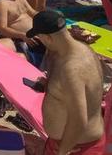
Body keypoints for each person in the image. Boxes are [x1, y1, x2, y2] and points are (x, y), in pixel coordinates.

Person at [28, 10, 106, 155]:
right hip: (68, 142)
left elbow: (79, 119)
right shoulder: (83, 49)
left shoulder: (71, 70)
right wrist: (51, 86)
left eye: (40, 37)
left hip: (76, 147)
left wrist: (63, 151)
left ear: (47, 38)